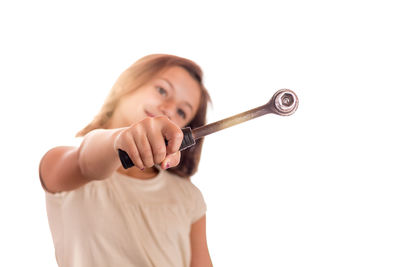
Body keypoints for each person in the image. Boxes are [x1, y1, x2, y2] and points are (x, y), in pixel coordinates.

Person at [39, 54, 213, 267]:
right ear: (126, 84)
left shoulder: (188, 196)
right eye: (162, 90)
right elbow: (85, 162)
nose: (168, 108)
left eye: (181, 111)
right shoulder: (63, 162)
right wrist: (119, 140)